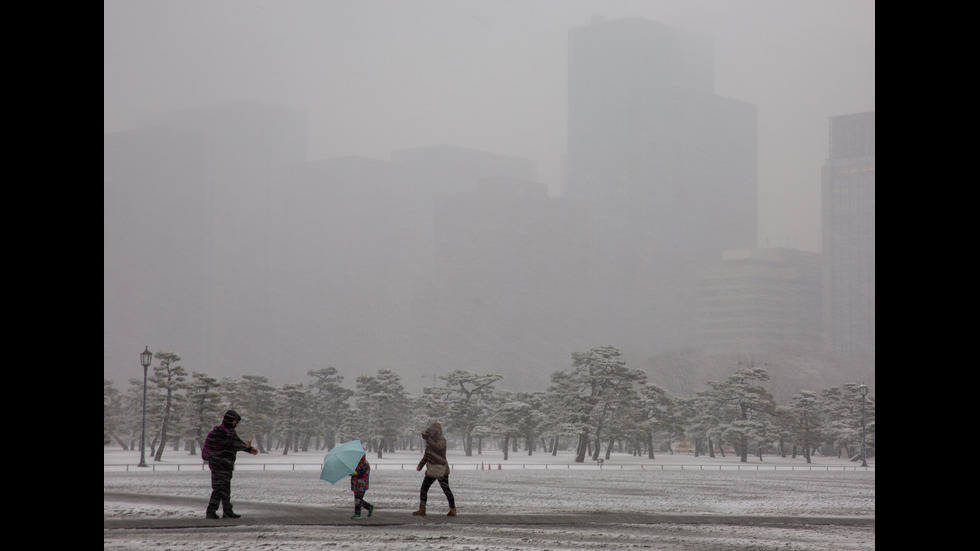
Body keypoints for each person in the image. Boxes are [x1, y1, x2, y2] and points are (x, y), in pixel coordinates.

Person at [205, 410, 258, 519]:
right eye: (235, 421)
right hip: (219, 464)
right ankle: (211, 511)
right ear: (230, 420)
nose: (235, 423)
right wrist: (246, 446)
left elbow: (236, 443)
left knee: (225, 488)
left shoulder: (228, 431)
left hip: (224, 464)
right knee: (219, 488)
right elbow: (232, 444)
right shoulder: (222, 431)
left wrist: (249, 449)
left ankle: (227, 511)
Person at [412, 421, 456, 516]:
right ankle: (422, 508)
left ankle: (453, 509)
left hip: (441, 470)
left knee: (446, 490)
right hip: (431, 469)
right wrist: (421, 465)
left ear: (437, 432)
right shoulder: (429, 442)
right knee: (424, 489)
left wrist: (429, 440)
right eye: (430, 431)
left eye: (433, 431)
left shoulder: (442, 440)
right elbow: (427, 455)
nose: (431, 433)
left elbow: (438, 447)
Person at [349, 454, 375, 519]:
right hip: (355, 484)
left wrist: (356, 473)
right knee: (357, 499)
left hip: (362, 484)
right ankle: (361, 511)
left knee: (358, 499)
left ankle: (358, 513)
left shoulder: (365, 464)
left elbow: (364, 472)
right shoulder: (355, 463)